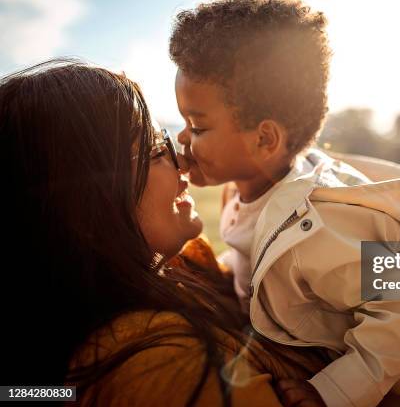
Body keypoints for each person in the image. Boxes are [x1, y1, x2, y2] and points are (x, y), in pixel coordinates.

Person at [170, 0, 400, 406]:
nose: (181, 138)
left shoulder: (324, 220)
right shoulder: (244, 189)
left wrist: (332, 393)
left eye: (197, 126)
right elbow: (256, 259)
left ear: (264, 139)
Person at [0, 59, 328, 406]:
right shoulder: (160, 370)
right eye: (157, 150)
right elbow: (385, 285)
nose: (183, 163)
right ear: (85, 205)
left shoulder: (179, 271)